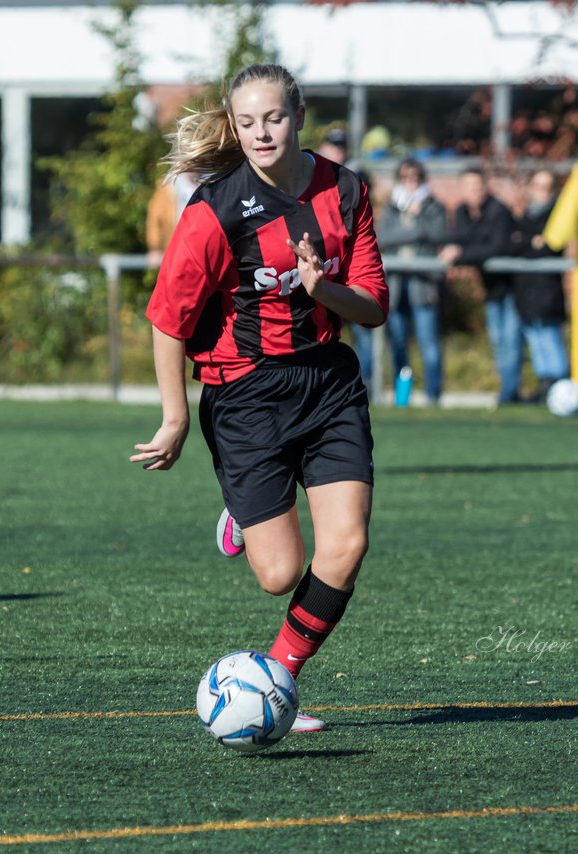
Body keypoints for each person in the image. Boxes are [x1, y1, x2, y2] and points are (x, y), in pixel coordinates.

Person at [131, 64, 388, 729]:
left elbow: (374, 307)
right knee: (279, 574)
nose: (261, 132)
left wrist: (320, 290)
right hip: (244, 394)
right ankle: (243, 515)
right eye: (246, 123)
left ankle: (278, 680)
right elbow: (168, 318)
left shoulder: (347, 190)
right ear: (234, 126)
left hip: (327, 384)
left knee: (347, 546)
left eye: (273, 117)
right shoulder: (214, 209)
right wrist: (173, 416)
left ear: (298, 114)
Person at [438, 168, 519, 404]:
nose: (474, 191)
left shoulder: (499, 211)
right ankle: (507, 389)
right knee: (498, 340)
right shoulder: (463, 212)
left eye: (478, 186)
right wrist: (453, 248)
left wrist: (461, 253)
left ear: (486, 187)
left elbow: (495, 247)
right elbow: (460, 238)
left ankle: (510, 393)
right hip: (492, 288)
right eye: (469, 187)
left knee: (510, 341)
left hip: (514, 286)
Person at [375, 157, 447, 405]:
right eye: (405, 179)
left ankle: (433, 396)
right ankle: (402, 397)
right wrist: (416, 229)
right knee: (397, 343)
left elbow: (438, 234)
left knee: (429, 343)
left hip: (423, 285)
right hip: (395, 285)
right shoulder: (392, 207)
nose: (410, 184)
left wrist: (417, 222)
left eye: (415, 179)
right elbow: (382, 237)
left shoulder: (433, 207)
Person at [317, 127, 378, 395]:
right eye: (333, 145)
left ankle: (366, 383)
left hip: (346, 263)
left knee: (361, 328)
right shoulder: (310, 174)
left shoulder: (354, 178)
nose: (338, 150)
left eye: (342, 146)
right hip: (321, 263)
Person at [511, 168, 570, 403]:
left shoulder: (556, 218)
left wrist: (532, 244)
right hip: (526, 290)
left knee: (549, 337)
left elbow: (549, 247)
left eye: (547, 187)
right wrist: (529, 242)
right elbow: (515, 244)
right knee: (535, 339)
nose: (542, 192)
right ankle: (544, 384)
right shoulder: (525, 217)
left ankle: (559, 385)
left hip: (547, 291)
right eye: (538, 186)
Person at [145, 170, 199, 266]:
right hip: (176, 248)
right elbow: (155, 219)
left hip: (199, 248)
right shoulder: (169, 186)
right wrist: (155, 247)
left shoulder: (210, 183)